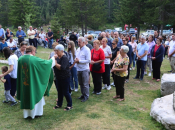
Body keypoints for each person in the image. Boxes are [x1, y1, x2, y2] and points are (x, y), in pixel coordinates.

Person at [17, 46, 55, 119]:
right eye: (34, 52)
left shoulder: (20, 59)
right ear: (32, 51)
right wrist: (53, 58)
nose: (35, 53)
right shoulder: (33, 59)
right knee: (34, 94)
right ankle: (37, 113)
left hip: (24, 82)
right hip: (33, 84)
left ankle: (27, 114)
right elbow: (46, 64)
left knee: (26, 95)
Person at [53, 44, 72, 111]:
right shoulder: (57, 57)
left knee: (66, 92)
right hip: (58, 77)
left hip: (65, 77)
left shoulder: (65, 58)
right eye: (55, 51)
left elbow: (62, 68)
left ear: (61, 51)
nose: (56, 52)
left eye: (57, 51)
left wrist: (55, 63)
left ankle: (69, 105)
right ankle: (59, 104)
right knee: (59, 91)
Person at [74, 37, 91, 102]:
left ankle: (86, 96)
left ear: (83, 42)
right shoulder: (78, 49)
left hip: (84, 69)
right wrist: (76, 60)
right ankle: (83, 94)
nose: (78, 43)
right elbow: (76, 57)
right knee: (80, 83)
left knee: (85, 83)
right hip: (79, 69)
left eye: (79, 42)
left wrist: (79, 61)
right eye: (78, 42)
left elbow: (89, 60)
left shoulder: (87, 49)